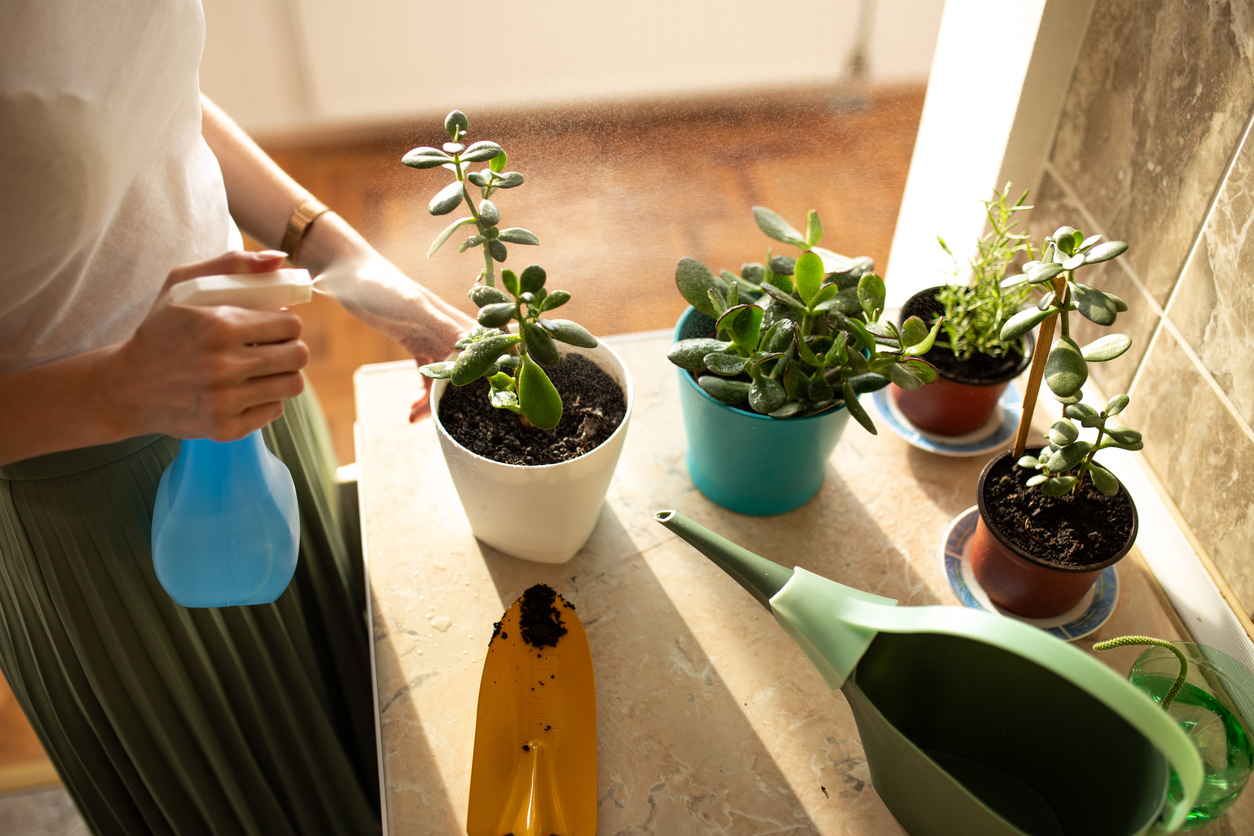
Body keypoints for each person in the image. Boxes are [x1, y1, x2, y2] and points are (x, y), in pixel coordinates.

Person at [0, 2, 473, 833]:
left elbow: (144, 97)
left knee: (365, 754)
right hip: (93, 495)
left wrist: (353, 267)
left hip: (254, 400)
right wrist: (119, 388)